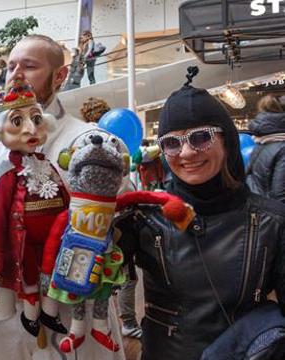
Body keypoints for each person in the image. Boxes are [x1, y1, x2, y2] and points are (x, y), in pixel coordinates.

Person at [0, 34, 125, 359]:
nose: (16, 74)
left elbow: (113, 220)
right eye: (11, 66)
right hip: (3, 308)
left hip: (70, 308)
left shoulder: (91, 142)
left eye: (29, 66)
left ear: (60, 75)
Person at [114, 68, 285, 359]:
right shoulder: (143, 217)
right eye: (171, 143)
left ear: (227, 141)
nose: (187, 153)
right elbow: (87, 281)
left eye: (201, 137)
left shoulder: (273, 220)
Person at [247, 94, 285, 203]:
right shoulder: (282, 147)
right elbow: (280, 197)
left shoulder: (262, 142)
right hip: (273, 211)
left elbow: (249, 177)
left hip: (258, 206)